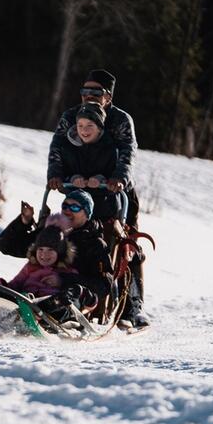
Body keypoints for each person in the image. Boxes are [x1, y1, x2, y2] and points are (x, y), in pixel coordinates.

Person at [48, 68, 148, 327]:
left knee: (126, 244)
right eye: (84, 92)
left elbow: (128, 152)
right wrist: (56, 175)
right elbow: (58, 146)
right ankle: (55, 291)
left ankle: (132, 305)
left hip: (115, 192)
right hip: (78, 190)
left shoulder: (121, 120)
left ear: (108, 96)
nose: (88, 97)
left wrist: (118, 179)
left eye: (95, 92)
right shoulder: (71, 117)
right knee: (69, 240)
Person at [0, 189, 111, 302]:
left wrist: (63, 280)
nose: (67, 211)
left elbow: (103, 285)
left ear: (87, 214)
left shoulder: (94, 244)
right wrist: (23, 222)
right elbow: (6, 246)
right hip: (31, 292)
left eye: (74, 207)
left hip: (67, 300)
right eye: (65, 206)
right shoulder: (50, 231)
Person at [47, 103, 127, 223]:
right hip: (74, 211)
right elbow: (63, 177)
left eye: (90, 125)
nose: (84, 130)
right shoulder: (69, 148)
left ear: (99, 128)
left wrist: (102, 181)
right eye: (80, 125)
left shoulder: (111, 149)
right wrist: (72, 179)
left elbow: (115, 180)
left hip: (104, 212)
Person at [0, 225, 77, 298]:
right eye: (41, 249)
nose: (44, 254)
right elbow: (15, 284)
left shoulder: (66, 272)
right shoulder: (30, 267)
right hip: (25, 303)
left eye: (50, 250)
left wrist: (62, 283)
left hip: (49, 308)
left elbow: (75, 291)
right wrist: (2, 286)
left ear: (59, 253)